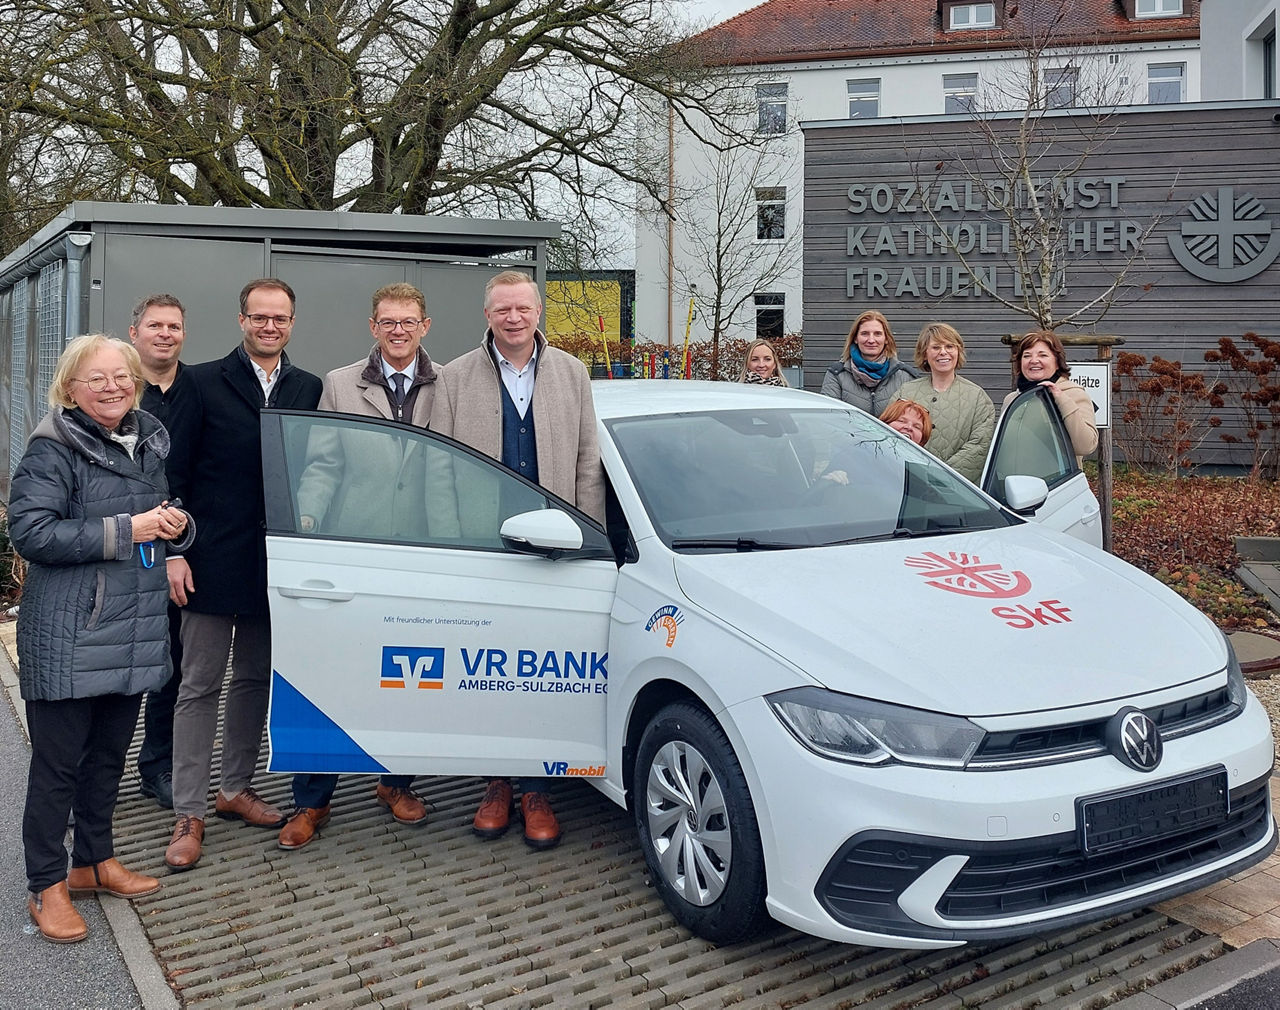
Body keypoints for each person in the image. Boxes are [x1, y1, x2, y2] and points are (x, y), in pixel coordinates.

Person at [10, 334, 194, 942]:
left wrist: (175, 524)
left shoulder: (144, 440)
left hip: (132, 629)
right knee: (58, 769)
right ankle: (47, 885)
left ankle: (92, 863)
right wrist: (130, 528)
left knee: (108, 761)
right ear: (70, 388)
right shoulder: (53, 449)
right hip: (71, 632)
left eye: (122, 376)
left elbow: (155, 511)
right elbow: (33, 534)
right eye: (98, 379)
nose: (113, 387)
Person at [430, 269, 604, 851]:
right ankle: (496, 783)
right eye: (502, 309)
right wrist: (453, 546)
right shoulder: (454, 378)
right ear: (488, 316)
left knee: (542, 670)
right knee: (487, 669)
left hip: (555, 549)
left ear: (538, 312)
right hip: (485, 547)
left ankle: (536, 789)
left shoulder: (573, 374)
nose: (513, 318)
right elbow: (441, 471)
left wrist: (586, 537)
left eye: (522, 308)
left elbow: (587, 462)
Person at [163, 279, 322, 871]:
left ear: (292, 322)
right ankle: (190, 810)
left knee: (255, 679)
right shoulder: (201, 382)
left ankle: (233, 789)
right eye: (259, 317)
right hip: (206, 556)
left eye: (279, 317)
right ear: (241, 320)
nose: (269, 326)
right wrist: (173, 552)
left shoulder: (308, 388)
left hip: (273, 561)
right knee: (199, 683)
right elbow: (170, 473)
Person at [279, 282, 440, 851]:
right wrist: (310, 526)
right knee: (330, 670)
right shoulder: (341, 384)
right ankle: (311, 799)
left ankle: (395, 782)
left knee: (407, 671)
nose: (399, 330)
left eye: (409, 321)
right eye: (388, 322)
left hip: (420, 553)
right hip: (352, 549)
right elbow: (323, 463)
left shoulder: (444, 384)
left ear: (425, 326)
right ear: (373, 327)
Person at [128, 294, 197, 810]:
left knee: (170, 663)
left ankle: (158, 765)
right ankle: (92, 773)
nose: (165, 334)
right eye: (156, 325)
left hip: (179, 549)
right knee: (120, 665)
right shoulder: (117, 392)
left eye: (174, 326)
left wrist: (179, 548)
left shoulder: (199, 389)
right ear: (135, 333)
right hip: (123, 552)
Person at [894, 323, 994, 483]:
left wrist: (940, 478)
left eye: (949, 346)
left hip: (958, 492)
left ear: (958, 351)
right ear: (924, 353)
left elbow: (979, 447)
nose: (943, 352)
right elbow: (890, 435)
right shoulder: (906, 392)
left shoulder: (978, 397)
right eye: (935, 347)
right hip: (909, 486)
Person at [1002, 329, 1099, 465]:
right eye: (1027, 356)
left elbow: (1086, 446)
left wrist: (1061, 399)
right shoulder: (1011, 399)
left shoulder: (1074, 394)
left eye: (1043, 355)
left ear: (1057, 362)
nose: (1034, 360)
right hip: (1012, 483)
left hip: (1055, 484)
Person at [821, 310, 918, 415]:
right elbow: (830, 418)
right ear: (855, 338)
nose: (871, 340)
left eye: (877, 334)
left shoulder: (905, 376)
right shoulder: (837, 375)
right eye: (864, 334)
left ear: (886, 339)